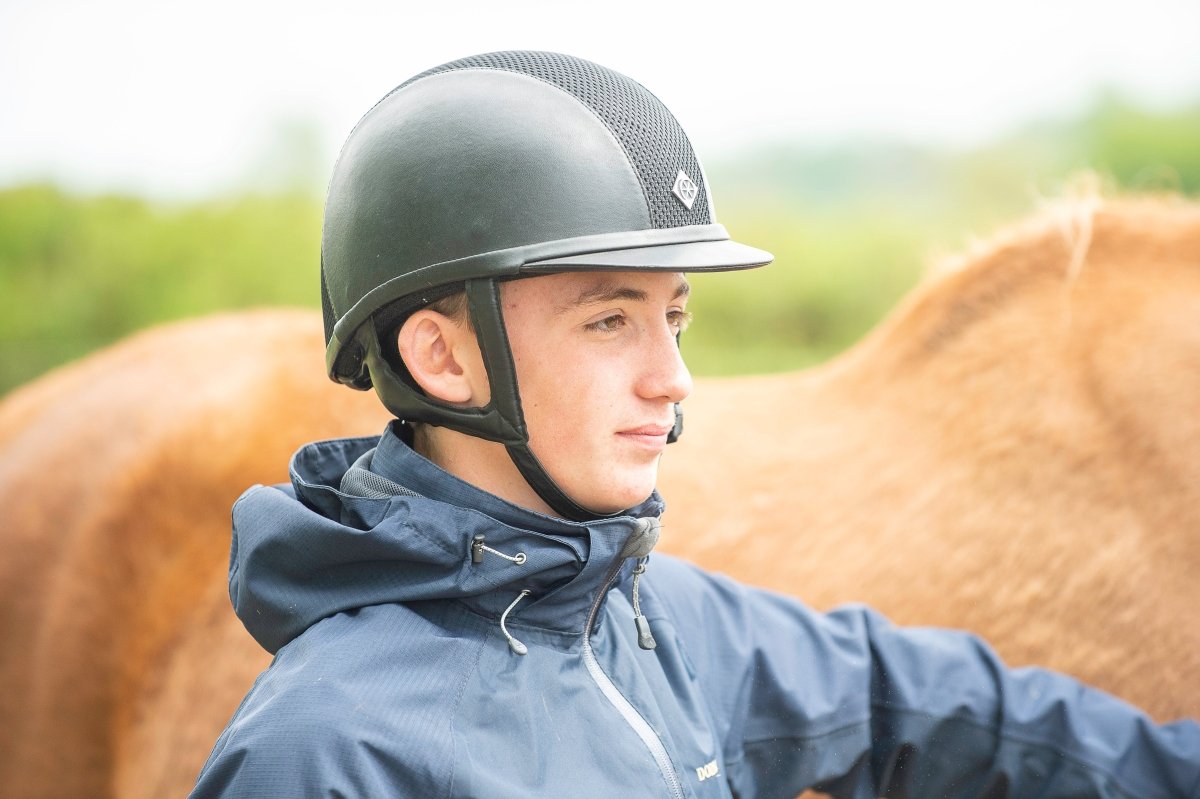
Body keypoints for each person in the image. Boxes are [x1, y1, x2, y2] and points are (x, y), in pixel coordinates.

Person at [190, 51, 1200, 798]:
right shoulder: (324, 753)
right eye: (609, 320)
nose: (672, 377)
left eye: (673, 316)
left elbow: (937, 703)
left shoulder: (658, 621)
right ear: (442, 357)